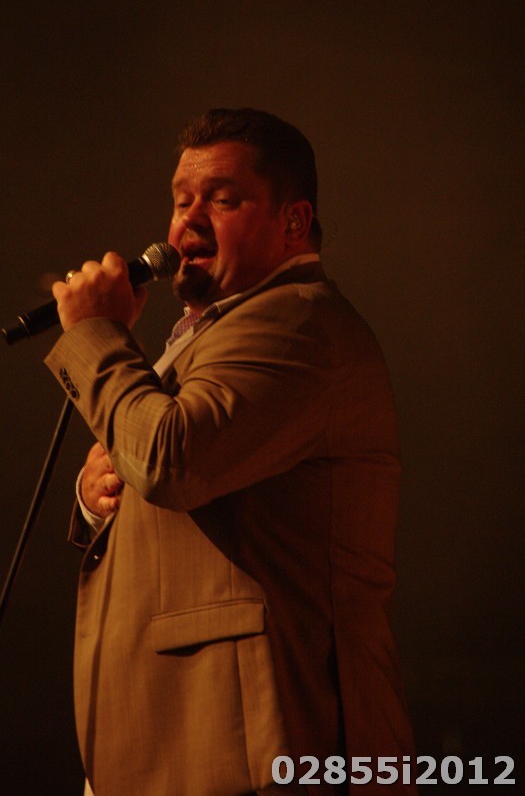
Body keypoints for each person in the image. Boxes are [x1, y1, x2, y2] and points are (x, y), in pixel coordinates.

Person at [46, 108, 416, 795]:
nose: (187, 222)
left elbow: (174, 461)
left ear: (294, 221)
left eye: (221, 200)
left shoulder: (297, 321)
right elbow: (166, 467)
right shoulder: (212, 334)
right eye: (180, 201)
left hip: (257, 740)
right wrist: (98, 496)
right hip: (179, 740)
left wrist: (95, 334)